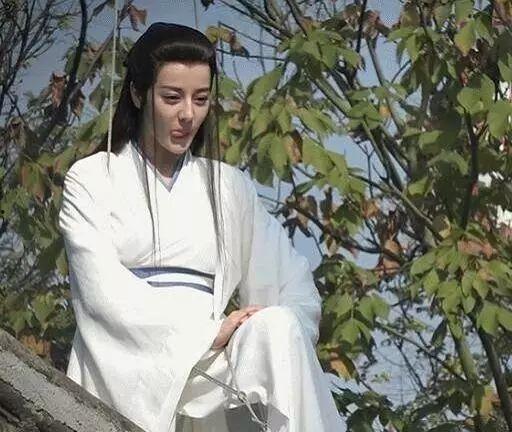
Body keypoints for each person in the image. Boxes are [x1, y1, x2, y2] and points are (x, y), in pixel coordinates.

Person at [58, 22, 344, 432]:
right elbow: (102, 293)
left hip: (214, 364)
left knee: (280, 328)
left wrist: (262, 333)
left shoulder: (230, 187)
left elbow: (292, 286)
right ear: (137, 94)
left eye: (201, 99)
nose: (188, 114)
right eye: (172, 97)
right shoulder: (92, 179)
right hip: (127, 363)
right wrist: (207, 332)